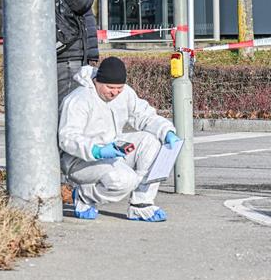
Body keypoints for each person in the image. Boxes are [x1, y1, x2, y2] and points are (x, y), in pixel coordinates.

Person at [58, 57, 180, 222]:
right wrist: (97, 150)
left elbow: (144, 116)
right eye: (110, 87)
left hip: (112, 150)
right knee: (124, 180)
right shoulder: (78, 99)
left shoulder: (125, 93)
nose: (114, 92)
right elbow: (68, 138)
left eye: (119, 88)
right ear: (97, 82)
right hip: (79, 160)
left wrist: (167, 131)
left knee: (152, 141)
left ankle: (141, 203)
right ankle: (85, 196)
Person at [54, 0, 99, 106]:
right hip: (68, 58)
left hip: (76, 56)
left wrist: (91, 55)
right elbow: (82, 2)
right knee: (68, 111)